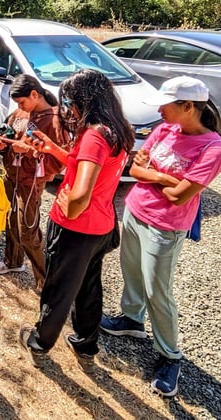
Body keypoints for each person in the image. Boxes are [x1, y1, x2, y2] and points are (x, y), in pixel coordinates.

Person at [100, 76, 221, 397]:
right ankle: (131, 318)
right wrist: (164, 176)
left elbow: (181, 196)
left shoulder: (212, 147)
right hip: (136, 210)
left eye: (167, 105)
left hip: (166, 226)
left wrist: (155, 175)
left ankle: (170, 355)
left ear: (188, 106)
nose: (161, 110)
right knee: (132, 272)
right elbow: (135, 170)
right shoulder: (166, 128)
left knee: (158, 289)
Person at [17, 69, 135, 373]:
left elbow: (81, 191)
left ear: (84, 101)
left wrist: (68, 208)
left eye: (69, 100)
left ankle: (41, 341)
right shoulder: (117, 129)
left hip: (75, 228)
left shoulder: (94, 135)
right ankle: (85, 342)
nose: (66, 107)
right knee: (89, 286)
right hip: (102, 226)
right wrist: (53, 149)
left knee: (58, 286)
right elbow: (86, 165)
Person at [0, 74, 68, 293]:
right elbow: (8, 130)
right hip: (11, 175)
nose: (20, 106)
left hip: (31, 182)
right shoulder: (21, 111)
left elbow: (59, 161)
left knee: (28, 230)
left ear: (35, 94)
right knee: (10, 218)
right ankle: (13, 261)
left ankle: (46, 280)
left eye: (22, 102)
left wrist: (31, 152)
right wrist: (0, 141)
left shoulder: (54, 120)